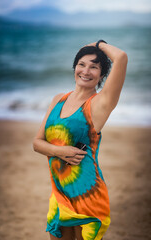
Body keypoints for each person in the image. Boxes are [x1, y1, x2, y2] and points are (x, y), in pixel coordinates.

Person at [33, 40, 128, 240]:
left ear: (102, 75)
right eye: (82, 64)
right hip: (60, 193)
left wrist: (98, 43)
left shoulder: (100, 104)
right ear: (74, 67)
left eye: (94, 67)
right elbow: (37, 143)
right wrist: (60, 151)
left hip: (88, 194)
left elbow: (121, 57)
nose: (86, 71)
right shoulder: (58, 99)